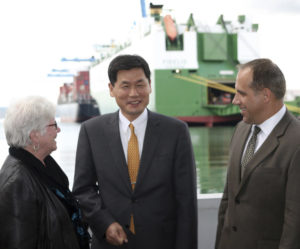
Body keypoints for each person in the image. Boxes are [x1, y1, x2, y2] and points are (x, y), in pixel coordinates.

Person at [73, 54, 197, 249]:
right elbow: (83, 189)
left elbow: (186, 200)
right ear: (111, 89)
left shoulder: (176, 131)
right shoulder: (92, 131)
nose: (133, 94)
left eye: (140, 85)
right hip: (110, 243)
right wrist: (104, 223)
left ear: (150, 85)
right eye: (125, 86)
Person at [215, 58, 300, 249]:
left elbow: (295, 222)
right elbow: (228, 201)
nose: (235, 100)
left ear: (266, 95)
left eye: (241, 94)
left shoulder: (296, 142)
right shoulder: (240, 130)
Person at [0, 96, 90, 249]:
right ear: (35, 135)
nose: (59, 129)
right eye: (54, 125)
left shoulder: (45, 166)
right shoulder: (17, 183)